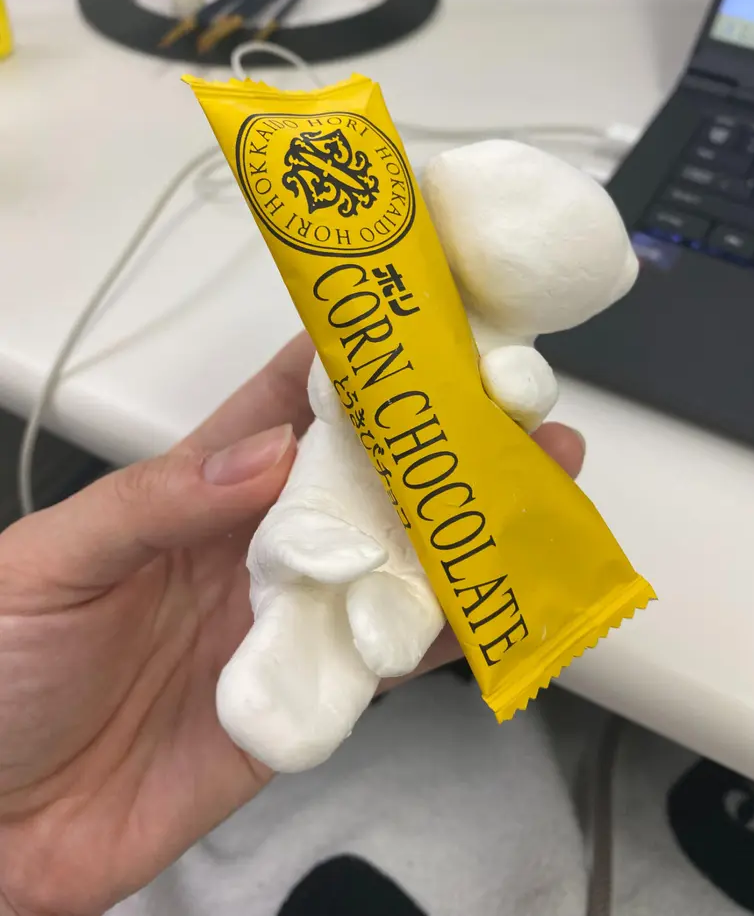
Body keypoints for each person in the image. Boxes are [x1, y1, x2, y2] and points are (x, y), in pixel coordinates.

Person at [0, 333, 585, 916]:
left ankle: (393, 608)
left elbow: (513, 397)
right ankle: (364, 595)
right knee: (331, 553)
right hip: (335, 513)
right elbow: (328, 395)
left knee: (390, 575)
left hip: (380, 533)